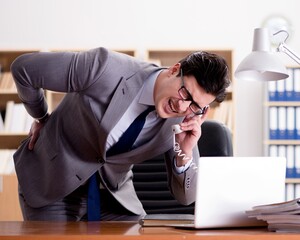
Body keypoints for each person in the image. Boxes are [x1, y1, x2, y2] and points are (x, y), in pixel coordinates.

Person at [10, 47, 230, 221]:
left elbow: (186, 198)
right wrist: (41, 117)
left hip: (112, 197)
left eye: (196, 106)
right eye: (185, 93)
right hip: (54, 182)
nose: (183, 108)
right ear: (174, 70)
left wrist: (185, 152)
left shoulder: (185, 120)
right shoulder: (105, 67)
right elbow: (25, 69)